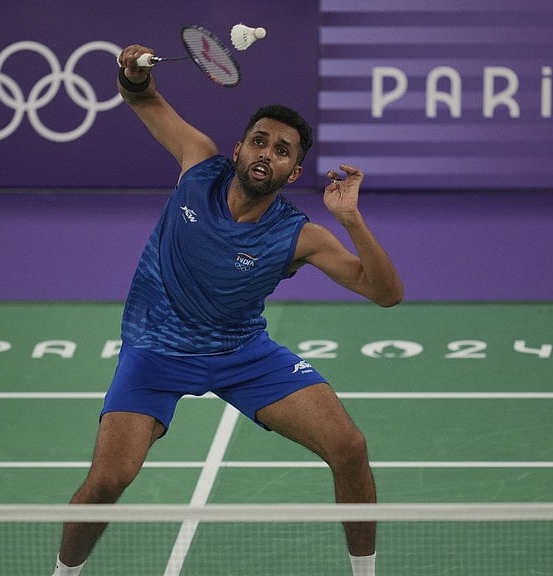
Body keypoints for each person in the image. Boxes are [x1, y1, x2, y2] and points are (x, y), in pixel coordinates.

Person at [51, 44, 404, 576]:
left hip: (241, 352)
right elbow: (144, 100)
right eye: (259, 141)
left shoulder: (298, 234)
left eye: (282, 150)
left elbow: (385, 292)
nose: (268, 153)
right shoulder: (198, 164)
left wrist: (352, 219)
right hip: (155, 349)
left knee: (349, 447)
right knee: (108, 480)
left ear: (293, 170)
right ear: (239, 148)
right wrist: (132, 71)